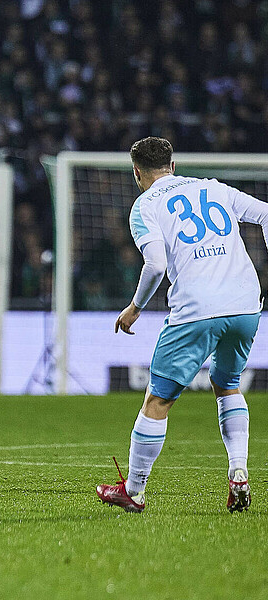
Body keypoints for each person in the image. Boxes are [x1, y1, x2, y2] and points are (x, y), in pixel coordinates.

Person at [97, 137, 268, 513]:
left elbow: (155, 264)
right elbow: (266, 214)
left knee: (158, 399)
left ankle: (135, 491)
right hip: (244, 303)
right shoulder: (213, 188)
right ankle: (238, 471)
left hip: (197, 308)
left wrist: (135, 307)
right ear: (173, 165)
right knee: (228, 385)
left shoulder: (145, 206)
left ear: (137, 172)